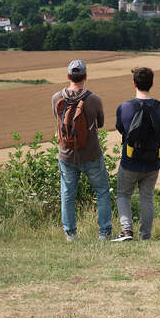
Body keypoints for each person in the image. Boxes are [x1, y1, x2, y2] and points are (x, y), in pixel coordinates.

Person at [52, 60, 112, 241]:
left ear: (68, 76)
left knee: (67, 194)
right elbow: (100, 123)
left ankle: (70, 234)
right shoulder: (93, 99)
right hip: (91, 153)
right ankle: (104, 234)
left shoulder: (56, 97)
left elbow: (58, 119)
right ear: (85, 77)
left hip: (66, 155)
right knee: (102, 192)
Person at [112, 67, 160, 242]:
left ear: (134, 83)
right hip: (153, 162)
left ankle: (127, 231)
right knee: (147, 198)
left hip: (130, 161)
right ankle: (145, 235)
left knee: (123, 195)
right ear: (151, 84)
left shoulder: (124, 107)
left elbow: (121, 129)